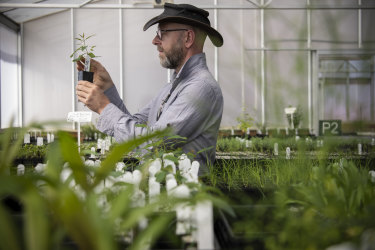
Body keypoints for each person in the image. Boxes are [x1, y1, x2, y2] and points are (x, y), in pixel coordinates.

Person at [76, 3, 224, 174]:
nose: (155, 41)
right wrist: (107, 88)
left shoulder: (200, 88)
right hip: (163, 188)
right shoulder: (173, 87)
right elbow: (138, 127)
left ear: (188, 38)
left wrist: (103, 107)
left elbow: (152, 144)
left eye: (162, 33)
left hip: (183, 195)